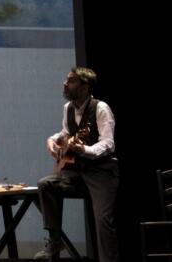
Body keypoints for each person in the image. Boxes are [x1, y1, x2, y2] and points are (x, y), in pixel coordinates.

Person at [34, 67, 119, 262]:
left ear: (84, 87)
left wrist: (85, 150)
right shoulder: (68, 108)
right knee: (46, 184)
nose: (65, 83)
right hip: (78, 171)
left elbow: (108, 143)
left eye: (71, 81)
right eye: (66, 79)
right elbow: (66, 131)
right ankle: (55, 240)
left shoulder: (100, 108)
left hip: (101, 171)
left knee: (103, 222)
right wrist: (52, 139)